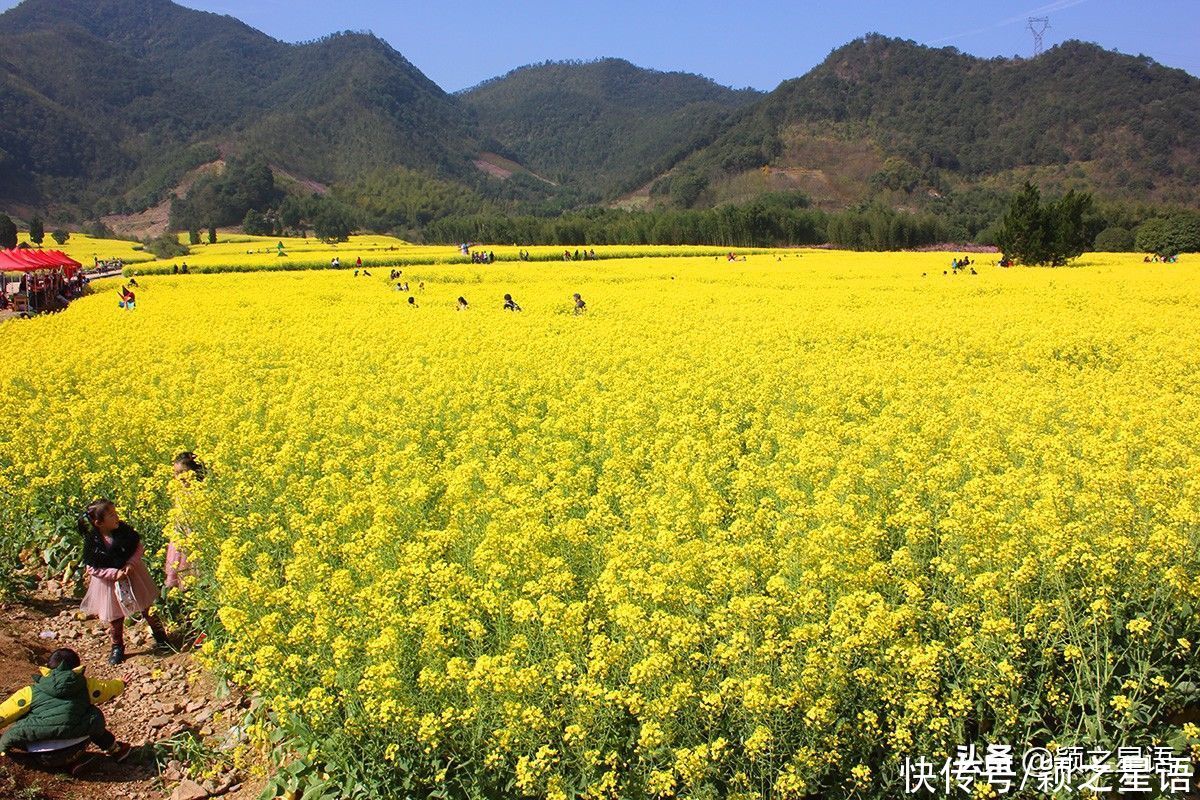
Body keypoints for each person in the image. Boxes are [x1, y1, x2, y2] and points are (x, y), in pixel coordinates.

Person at [0, 648, 131, 771]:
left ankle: (64, 766)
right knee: (91, 715)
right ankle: (115, 750)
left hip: (41, 758)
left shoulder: (29, 692)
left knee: (25, 722)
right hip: (75, 750)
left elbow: (5, 713)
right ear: (77, 669)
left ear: (47, 668)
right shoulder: (86, 685)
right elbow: (107, 689)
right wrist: (121, 683)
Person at [78, 499, 170, 664]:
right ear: (99, 523)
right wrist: (113, 573)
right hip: (108, 585)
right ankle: (117, 647)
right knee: (115, 617)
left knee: (147, 607)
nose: (117, 518)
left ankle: (161, 637)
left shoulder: (125, 531)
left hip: (134, 575)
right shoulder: (93, 542)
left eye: (116, 513)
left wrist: (130, 564)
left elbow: (138, 547)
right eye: (112, 515)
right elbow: (92, 568)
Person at [164, 452, 205, 592]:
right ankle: (186, 598)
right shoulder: (178, 491)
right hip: (181, 536)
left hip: (197, 537)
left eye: (183, 472)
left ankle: (199, 595)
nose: (180, 477)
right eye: (176, 473)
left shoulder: (203, 492)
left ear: (195, 472)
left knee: (197, 568)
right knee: (182, 568)